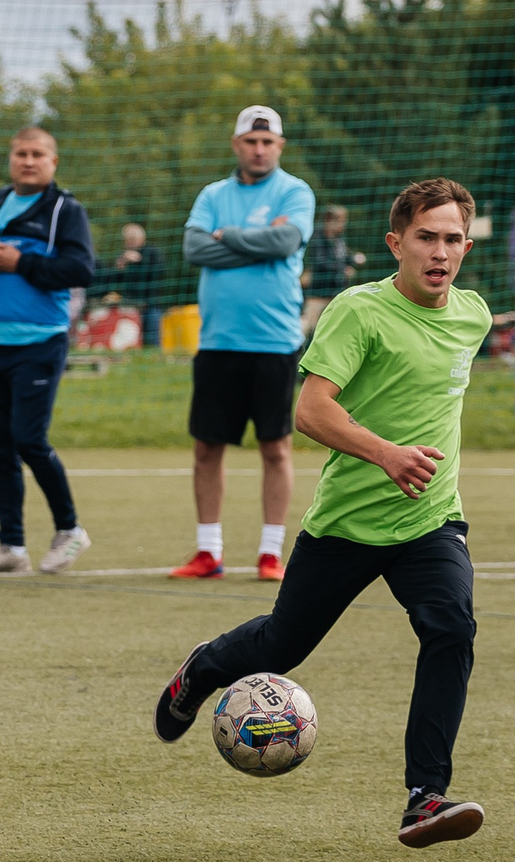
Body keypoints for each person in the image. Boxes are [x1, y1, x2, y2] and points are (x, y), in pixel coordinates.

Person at [153, 177, 493, 850]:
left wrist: (415, 469)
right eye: (426, 237)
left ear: (467, 246)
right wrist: (387, 453)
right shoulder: (358, 311)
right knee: (282, 645)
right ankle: (201, 669)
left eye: (453, 238)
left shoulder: (473, 315)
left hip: (430, 519)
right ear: (396, 243)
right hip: (347, 523)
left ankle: (424, 797)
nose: (440, 252)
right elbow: (310, 411)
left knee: (451, 626)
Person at [171, 105, 315, 582]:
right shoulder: (213, 194)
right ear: (236, 145)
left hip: (274, 341)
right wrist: (258, 241)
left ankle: (270, 554)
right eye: (250, 142)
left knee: (275, 448)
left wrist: (228, 237)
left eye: (267, 142)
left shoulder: (295, 192)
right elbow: (194, 249)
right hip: (217, 342)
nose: (259, 149)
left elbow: (286, 242)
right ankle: (208, 552)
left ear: (279, 146)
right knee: (207, 448)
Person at [0, 126, 96, 574]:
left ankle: (70, 530)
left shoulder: (64, 210)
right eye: (21, 153)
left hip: (41, 340)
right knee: (0, 446)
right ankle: (11, 547)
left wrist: (22, 262)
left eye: (38, 154)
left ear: (53, 162)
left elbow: (81, 269)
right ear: (11, 159)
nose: (28, 161)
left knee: (29, 439)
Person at [103, 221, 167, 348]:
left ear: (142, 238)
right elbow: (114, 279)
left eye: (132, 239)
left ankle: (155, 360)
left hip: (151, 303)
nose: (129, 243)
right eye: (127, 240)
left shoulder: (152, 252)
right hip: (130, 305)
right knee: (132, 339)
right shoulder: (124, 256)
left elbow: (159, 272)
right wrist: (119, 267)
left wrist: (139, 260)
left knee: (152, 339)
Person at [302, 204, 364, 334]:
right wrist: (342, 269)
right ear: (329, 220)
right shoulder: (317, 236)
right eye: (340, 221)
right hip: (318, 291)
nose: (343, 225)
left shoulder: (339, 238)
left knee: (334, 327)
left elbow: (343, 256)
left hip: (336, 291)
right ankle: (294, 350)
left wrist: (354, 258)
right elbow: (319, 261)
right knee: (307, 325)